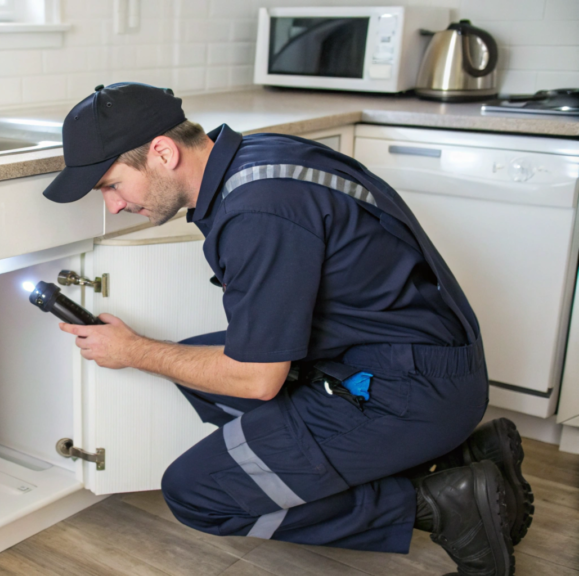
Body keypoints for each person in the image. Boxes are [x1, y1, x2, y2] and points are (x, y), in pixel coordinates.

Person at [41, 82, 533, 576]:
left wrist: (134, 350)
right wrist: (154, 352)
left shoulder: (257, 211)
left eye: (111, 184)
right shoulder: (258, 157)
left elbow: (257, 378)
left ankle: (442, 503)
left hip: (408, 391)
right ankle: (461, 456)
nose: (113, 205)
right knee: (197, 369)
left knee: (198, 494)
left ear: (163, 153)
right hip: (421, 364)